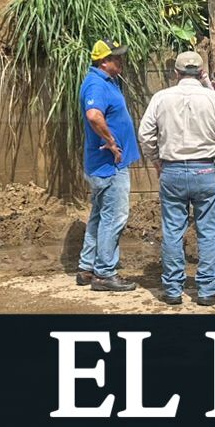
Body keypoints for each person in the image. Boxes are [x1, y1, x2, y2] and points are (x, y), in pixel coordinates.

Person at [138, 50, 215, 306]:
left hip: (171, 170)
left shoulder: (161, 98)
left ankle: (172, 290)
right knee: (207, 231)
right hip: (204, 170)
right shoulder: (214, 98)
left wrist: (157, 160)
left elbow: (145, 134)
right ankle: (207, 290)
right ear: (200, 72)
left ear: (176, 73)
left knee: (172, 230)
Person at [76, 39, 140, 292]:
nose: (121, 60)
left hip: (106, 166)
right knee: (114, 217)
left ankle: (87, 267)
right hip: (109, 166)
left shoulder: (106, 82)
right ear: (104, 62)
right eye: (116, 58)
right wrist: (111, 142)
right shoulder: (95, 83)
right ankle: (104, 274)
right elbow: (93, 115)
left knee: (99, 217)